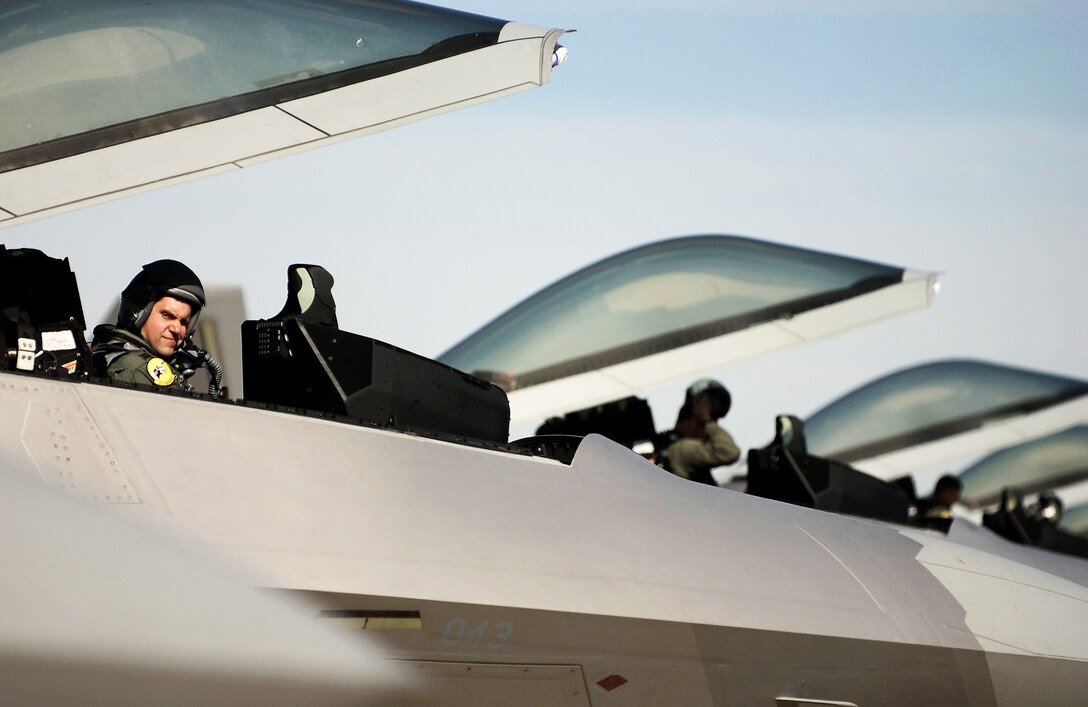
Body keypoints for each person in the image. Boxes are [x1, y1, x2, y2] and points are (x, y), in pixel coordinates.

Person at [91, 260, 206, 389]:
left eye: (184, 322)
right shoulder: (140, 370)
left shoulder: (105, 351)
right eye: (166, 315)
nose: (176, 329)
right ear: (138, 313)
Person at [659, 379, 740, 485]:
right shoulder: (681, 449)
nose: (707, 434)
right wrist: (708, 423)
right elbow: (730, 452)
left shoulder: (672, 446)